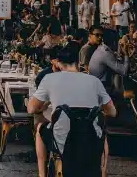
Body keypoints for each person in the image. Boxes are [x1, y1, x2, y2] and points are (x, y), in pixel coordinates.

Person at [28, 42, 116, 177]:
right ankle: (103, 172)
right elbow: (112, 112)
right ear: (78, 62)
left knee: (40, 128)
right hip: (90, 138)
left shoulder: (49, 78)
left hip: (62, 141)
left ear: (58, 63)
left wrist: (46, 103)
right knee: (101, 131)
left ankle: (42, 174)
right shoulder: (94, 81)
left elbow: (31, 108)